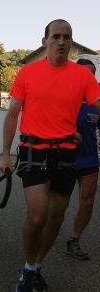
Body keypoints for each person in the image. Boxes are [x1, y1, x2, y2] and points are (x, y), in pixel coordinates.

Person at [0, 19, 100, 292]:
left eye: (67, 37)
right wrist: (5, 154)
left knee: (56, 217)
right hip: (34, 150)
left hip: (67, 151)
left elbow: (98, 104)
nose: (62, 41)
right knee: (38, 215)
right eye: (56, 36)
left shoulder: (83, 76)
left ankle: (33, 268)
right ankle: (29, 266)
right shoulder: (28, 73)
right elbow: (12, 114)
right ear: (44, 41)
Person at [67, 58, 99, 260]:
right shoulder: (62, 97)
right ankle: (44, 234)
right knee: (55, 206)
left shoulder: (96, 104)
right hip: (63, 159)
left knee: (87, 203)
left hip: (89, 160)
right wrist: (67, 133)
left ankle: (74, 240)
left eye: (91, 74)